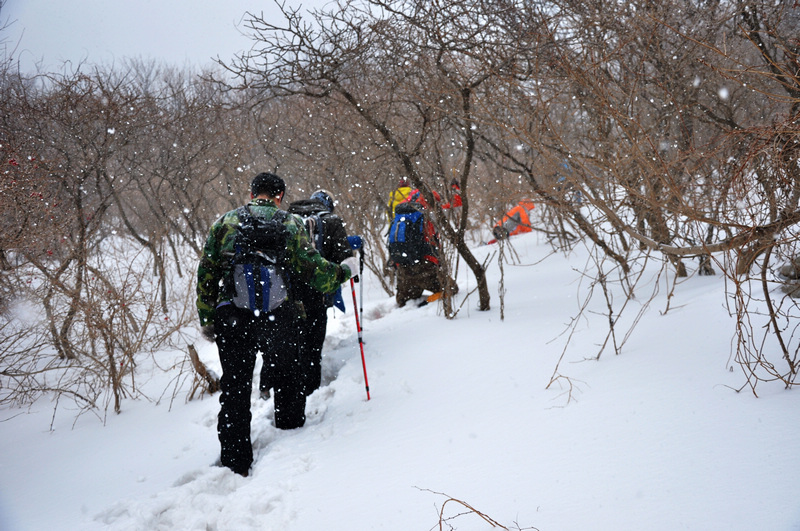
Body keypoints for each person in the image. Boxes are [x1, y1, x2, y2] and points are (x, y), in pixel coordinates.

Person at [196, 172, 358, 477]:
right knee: (287, 374)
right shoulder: (289, 223)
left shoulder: (225, 223)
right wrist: (344, 271)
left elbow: (206, 273)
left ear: (252, 192)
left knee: (235, 387)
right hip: (279, 316)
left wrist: (208, 318)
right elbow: (316, 272)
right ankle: (289, 431)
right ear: (280, 196)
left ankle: (235, 460)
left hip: (233, 317)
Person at [264, 189, 353, 398]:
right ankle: (310, 393)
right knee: (312, 348)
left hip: (284, 294)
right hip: (316, 294)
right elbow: (344, 259)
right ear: (328, 205)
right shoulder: (332, 221)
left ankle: (268, 387)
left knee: (284, 345)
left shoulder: (284, 219)